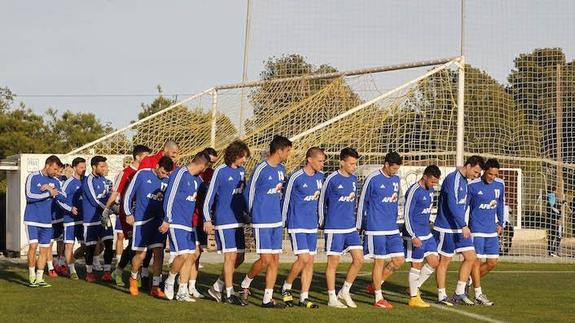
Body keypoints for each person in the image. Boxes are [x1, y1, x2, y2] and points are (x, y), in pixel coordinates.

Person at [240, 135, 292, 308]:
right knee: (265, 260)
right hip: (262, 220)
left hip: (276, 220)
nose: (289, 154)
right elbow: (249, 193)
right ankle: (245, 284)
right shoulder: (261, 168)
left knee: (275, 260)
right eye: (287, 150)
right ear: (279, 150)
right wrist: (251, 213)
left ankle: (267, 299)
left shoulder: (282, 169)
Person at [203, 141, 251, 305]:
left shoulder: (242, 171)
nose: (244, 160)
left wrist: (247, 213)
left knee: (240, 257)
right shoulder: (220, 172)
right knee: (230, 257)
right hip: (224, 220)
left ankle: (218, 286)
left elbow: (242, 195)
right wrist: (207, 219)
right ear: (236, 155)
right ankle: (229, 293)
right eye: (243, 157)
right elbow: (209, 197)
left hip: (238, 220)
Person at [433, 155, 484, 305]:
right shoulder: (453, 179)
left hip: (459, 227)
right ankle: (442, 295)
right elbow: (452, 205)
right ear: (468, 166)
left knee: (471, 257)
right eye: (475, 172)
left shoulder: (464, 182)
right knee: (444, 261)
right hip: (447, 227)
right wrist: (463, 224)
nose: (476, 176)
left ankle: (459, 292)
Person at [160, 151, 210, 302]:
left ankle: (182, 291)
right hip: (175, 221)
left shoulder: (197, 180)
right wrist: (167, 219)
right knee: (182, 254)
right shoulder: (180, 173)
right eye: (206, 166)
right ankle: (169, 280)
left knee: (189, 256)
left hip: (188, 224)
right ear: (202, 165)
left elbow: (206, 196)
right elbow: (169, 196)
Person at [358, 152, 405, 309]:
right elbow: (362, 202)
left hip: (391, 227)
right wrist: (360, 225)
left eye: (397, 169)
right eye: (393, 168)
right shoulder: (372, 179)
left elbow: (395, 200)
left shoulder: (396, 179)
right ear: (386, 164)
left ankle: (374, 285)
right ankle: (378, 297)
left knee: (399, 260)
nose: (395, 172)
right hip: (376, 227)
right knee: (379, 261)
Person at [280, 147, 326, 309]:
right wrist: (283, 221)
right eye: (320, 161)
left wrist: (321, 219)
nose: (322, 164)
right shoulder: (296, 177)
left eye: (323, 161)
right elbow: (285, 200)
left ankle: (304, 297)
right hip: (297, 222)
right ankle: (286, 286)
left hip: (311, 224)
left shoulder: (321, 177)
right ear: (309, 160)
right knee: (303, 258)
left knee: (310, 262)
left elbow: (321, 202)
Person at [320, 147, 364, 309]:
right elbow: (321, 202)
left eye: (355, 164)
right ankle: (331, 297)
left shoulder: (354, 179)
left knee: (359, 259)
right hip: (334, 228)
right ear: (342, 162)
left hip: (350, 228)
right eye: (351, 163)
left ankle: (344, 291)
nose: (354, 166)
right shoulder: (331, 179)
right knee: (333, 263)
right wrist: (323, 222)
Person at [103, 145, 152, 287]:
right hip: (129, 214)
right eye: (146, 156)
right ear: (138, 157)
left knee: (146, 245)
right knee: (133, 244)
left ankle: (141, 273)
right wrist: (106, 211)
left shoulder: (147, 172)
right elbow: (115, 193)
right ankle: (119, 272)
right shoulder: (126, 172)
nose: (149, 159)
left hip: (144, 213)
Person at [124, 156, 173, 297]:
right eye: (163, 172)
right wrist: (128, 213)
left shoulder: (168, 180)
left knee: (159, 253)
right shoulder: (142, 174)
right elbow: (129, 193)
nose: (164, 175)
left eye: (167, 173)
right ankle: (133, 277)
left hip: (159, 222)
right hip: (142, 221)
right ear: (157, 166)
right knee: (141, 254)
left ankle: (156, 286)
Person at [24, 155, 66, 287]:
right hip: (32, 218)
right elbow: (30, 196)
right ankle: (31, 276)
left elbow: (63, 197)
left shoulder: (56, 180)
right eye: (54, 169)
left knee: (44, 249)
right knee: (33, 247)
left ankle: (40, 278)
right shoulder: (33, 176)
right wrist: (48, 192)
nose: (55, 172)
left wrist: (52, 190)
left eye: (57, 170)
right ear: (47, 165)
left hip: (47, 221)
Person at [468, 158, 505, 306]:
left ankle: (467, 282)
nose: (492, 177)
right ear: (484, 171)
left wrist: (501, 222)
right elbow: (466, 206)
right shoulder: (473, 185)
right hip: (476, 229)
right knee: (476, 262)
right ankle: (478, 294)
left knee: (492, 263)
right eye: (490, 174)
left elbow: (501, 203)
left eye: (495, 175)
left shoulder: (500, 184)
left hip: (492, 229)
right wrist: (465, 225)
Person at [403, 165, 442, 308]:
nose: (434, 184)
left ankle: (414, 287)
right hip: (414, 235)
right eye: (432, 181)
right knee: (416, 265)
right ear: (425, 177)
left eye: (436, 182)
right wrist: (413, 235)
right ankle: (413, 298)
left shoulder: (430, 189)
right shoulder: (414, 191)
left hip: (426, 233)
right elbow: (406, 214)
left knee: (434, 261)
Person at [189, 147, 218, 299]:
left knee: (198, 254)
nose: (210, 165)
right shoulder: (194, 172)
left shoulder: (212, 174)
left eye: (213, 163)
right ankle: (178, 283)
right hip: (192, 218)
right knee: (191, 254)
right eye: (209, 162)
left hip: (203, 220)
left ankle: (192, 286)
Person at [82, 156, 114, 282]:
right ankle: (89, 272)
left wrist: (115, 205)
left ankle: (107, 271)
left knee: (109, 243)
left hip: (103, 217)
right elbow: (94, 200)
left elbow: (109, 197)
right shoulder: (88, 181)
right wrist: (109, 209)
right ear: (94, 167)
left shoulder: (104, 180)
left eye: (105, 166)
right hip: (91, 219)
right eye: (102, 166)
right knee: (90, 246)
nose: (105, 168)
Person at [57, 157, 87, 279]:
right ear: (74, 168)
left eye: (85, 167)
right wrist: (70, 209)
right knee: (69, 245)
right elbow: (59, 200)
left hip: (83, 220)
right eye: (81, 167)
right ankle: (72, 270)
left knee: (87, 246)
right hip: (69, 220)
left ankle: (70, 261)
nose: (84, 169)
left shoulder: (86, 181)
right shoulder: (68, 183)